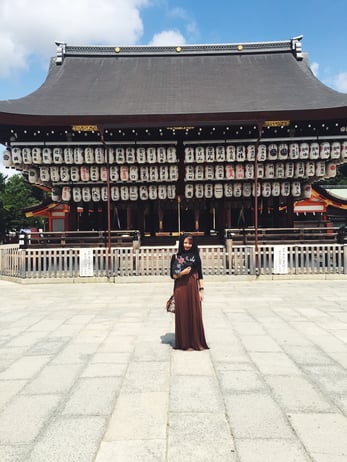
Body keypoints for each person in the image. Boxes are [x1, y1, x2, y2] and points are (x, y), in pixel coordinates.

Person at [170, 233, 209, 351]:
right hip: (180, 287)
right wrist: (182, 273)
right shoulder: (176, 257)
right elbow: (173, 275)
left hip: (192, 286)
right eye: (185, 242)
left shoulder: (196, 257)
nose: (187, 245)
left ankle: (195, 341)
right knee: (183, 313)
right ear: (181, 243)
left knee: (195, 313)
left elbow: (200, 275)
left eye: (190, 243)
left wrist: (201, 290)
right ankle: (184, 343)